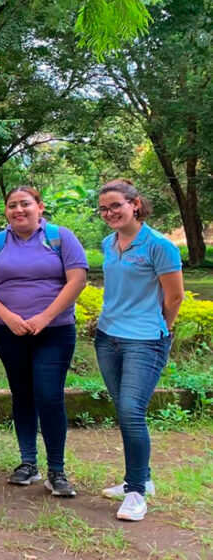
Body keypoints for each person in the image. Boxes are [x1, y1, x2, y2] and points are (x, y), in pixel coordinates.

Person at [0, 186, 88, 497]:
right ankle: (27, 463)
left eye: (25, 204)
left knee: (49, 395)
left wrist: (44, 318)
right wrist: (6, 317)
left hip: (54, 331)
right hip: (9, 332)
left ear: (40, 206)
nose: (18, 210)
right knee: (22, 395)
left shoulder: (60, 238)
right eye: (12, 205)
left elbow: (77, 279)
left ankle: (57, 470)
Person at [92, 180, 184, 522]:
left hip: (145, 341)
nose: (110, 213)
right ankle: (141, 476)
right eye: (104, 209)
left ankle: (136, 492)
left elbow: (174, 297)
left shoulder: (159, 245)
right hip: (107, 336)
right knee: (124, 409)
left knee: (131, 412)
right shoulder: (108, 243)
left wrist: (159, 328)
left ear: (135, 204)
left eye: (116, 205)